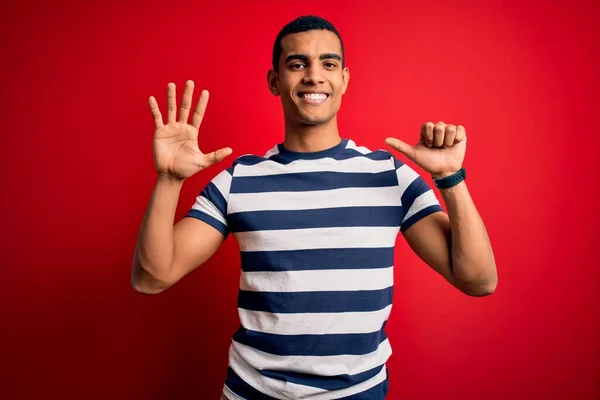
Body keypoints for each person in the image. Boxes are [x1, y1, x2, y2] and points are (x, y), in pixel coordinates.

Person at [131, 15, 498, 400]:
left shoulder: (389, 176)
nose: (314, 76)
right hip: (252, 392)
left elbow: (478, 280)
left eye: (328, 63)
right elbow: (151, 278)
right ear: (275, 82)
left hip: (359, 393)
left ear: (344, 80)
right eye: (296, 64)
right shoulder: (239, 180)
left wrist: (451, 179)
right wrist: (170, 180)